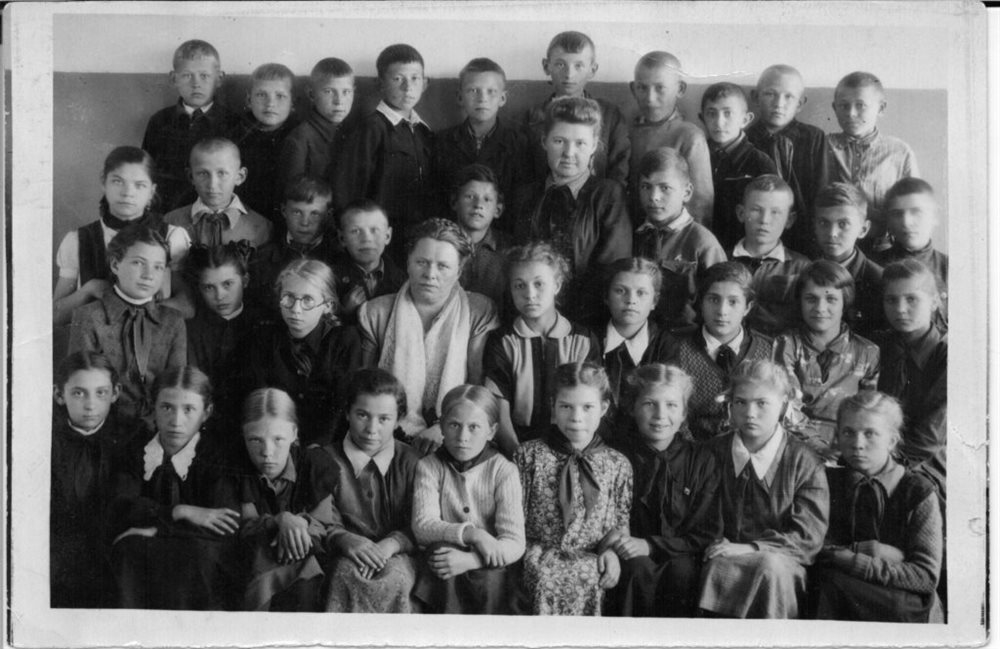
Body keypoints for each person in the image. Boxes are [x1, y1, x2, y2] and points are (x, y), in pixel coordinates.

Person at [698, 359, 829, 618]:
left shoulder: (804, 461)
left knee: (769, 566)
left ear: (783, 404)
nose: (750, 413)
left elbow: (808, 538)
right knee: (718, 565)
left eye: (762, 403)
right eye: (740, 402)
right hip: (722, 554)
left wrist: (753, 548)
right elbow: (700, 518)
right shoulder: (712, 452)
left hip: (783, 563)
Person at [357, 219, 499, 447]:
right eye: (421, 262)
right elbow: (365, 387)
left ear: (458, 271)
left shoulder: (478, 311)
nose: (430, 274)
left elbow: (476, 386)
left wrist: (443, 426)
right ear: (408, 263)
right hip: (386, 433)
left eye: (443, 266)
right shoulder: (376, 312)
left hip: (457, 434)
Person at [109, 366, 241, 610]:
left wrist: (159, 530)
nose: (176, 421)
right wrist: (179, 511)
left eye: (189, 409)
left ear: (206, 413)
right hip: (145, 549)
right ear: (153, 407)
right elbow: (122, 505)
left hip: (198, 554)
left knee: (196, 555)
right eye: (167, 407)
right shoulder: (136, 450)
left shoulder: (217, 457)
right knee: (128, 548)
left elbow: (225, 523)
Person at [812, 391, 943, 622]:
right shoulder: (825, 482)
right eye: (848, 432)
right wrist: (874, 551)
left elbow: (925, 577)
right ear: (837, 436)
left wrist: (855, 558)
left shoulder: (918, 492)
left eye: (870, 433)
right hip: (837, 598)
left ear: (891, 441)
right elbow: (809, 547)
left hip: (902, 607)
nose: (857, 444)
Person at [513, 362, 632, 615]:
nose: (576, 417)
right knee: (544, 578)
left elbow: (620, 524)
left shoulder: (617, 464)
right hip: (537, 554)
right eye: (566, 406)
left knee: (592, 577)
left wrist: (611, 552)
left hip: (592, 556)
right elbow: (513, 520)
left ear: (604, 408)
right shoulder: (528, 456)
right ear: (553, 406)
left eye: (587, 407)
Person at [604, 364, 721, 617]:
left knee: (682, 573)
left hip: (682, 554)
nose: (660, 415)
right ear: (632, 408)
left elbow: (707, 531)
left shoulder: (702, 460)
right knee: (636, 569)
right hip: (628, 553)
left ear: (684, 413)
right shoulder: (614, 457)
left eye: (671, 405)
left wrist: (651, 545)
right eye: (649, 404)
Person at [510, 96, 632, 328]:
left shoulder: (608, 195)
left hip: (588, 323)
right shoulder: (525, 196)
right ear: (544, 141)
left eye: (580, 143)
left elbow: (612, 269)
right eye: (559, 141)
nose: (568, 152)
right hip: (529, 318)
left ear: (594, 145)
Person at [411, 385, 526, 614]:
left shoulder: (504, 471)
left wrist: (473, 560)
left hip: (491, 566)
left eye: (474, 427)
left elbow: (515, 542)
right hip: (445, 566)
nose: (463, 437)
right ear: (442, 426)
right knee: (441, 555)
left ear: (492, 431)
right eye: (454, 425)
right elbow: (422, 526)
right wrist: (474, 534)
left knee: (489, 579)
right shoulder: (429, 467)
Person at [321, 369, 422, 613]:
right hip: (345, 553)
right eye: (362, 415)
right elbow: (321, 521)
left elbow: (422, 522)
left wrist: (393, 544)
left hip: (399, 553)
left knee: (395, 577)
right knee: (345, 573)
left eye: (384, 419)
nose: (371, 429)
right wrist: (343, 538)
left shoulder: (413, 462)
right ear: (347, 413)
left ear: (398, 420)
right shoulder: (324, 460)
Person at [483, 243, 599, 453]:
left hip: (572, 445)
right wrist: (518, 455)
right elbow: (499, 408)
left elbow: (591, 405)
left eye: (539, 284)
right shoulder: (502, 341)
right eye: (519, 285)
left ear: (557, 285)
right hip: (516, 445)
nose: (530, 294)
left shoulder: (583, 339)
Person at [53, 146, 190, 326]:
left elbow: (187, 307)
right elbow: (56, 316)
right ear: (104, 183)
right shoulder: (78, 240)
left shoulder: (172, 237)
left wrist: (133, 312)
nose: (127, 193)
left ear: (152, 191)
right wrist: (88, 290)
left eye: (139, 185)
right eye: (118, 181)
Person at [68, 225, 186, 420]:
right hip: (104, 424)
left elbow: (176, 386)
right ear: (115, 265)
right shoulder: (89, 316)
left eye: (158, 267)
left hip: (158, 425)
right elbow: (81, 385)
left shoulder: (173, 321)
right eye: (138, 263)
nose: (148, 275)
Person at [330, 43, 433, 264]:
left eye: (415, 78)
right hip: (380, 240)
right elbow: (348, 189)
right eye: (398, 79)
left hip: (419, 237)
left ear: (425, 84)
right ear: (380, 84)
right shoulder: (371, 129)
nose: (408, 87)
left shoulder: (424, 131)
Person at [240, 259, 361, 446]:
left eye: (307, 300)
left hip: (328, 444)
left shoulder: (344, 340)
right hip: (275, 442)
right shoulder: (265, 339)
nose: (296, 310)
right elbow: (261, 398)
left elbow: (342, 404)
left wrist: (318, 448)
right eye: (288, 297)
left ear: (328, 305)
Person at [50, 351, 136, 608]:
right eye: (79, 393)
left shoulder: (132, 436)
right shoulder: (45, 438)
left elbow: (127, 502)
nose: (90, 405)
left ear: (115, 393)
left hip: (109, 548)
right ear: (59, 395)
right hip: (58, 551)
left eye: (101, 393)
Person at [238, 388, 336, 611]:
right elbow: (245, 527)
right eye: (255, 440)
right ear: (243, 435)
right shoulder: (238, 471)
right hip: (252, 559)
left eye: (278, 439)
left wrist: (299, 523)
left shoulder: (315, 465)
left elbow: (322, 524)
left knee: (308, 578)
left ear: (294, 433)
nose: (267, 452)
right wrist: (280, 520)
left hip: (306, 555)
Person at [774, 260, 880, 460]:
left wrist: (844, 450)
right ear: (800, 301)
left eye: (831, 299)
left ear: (845, 302)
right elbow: (786, 408)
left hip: (848, 449)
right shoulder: (785, 344)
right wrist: (819, 448)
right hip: (794, 447)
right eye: (811, 299)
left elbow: (868, 414)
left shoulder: (868, 352)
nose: (820, 308)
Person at [666, 262, 774, 441]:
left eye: (733, 302)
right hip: (693, 449)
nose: (722, 311)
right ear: (701, 302)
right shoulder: (676, 348)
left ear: (747, 307)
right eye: (714, 300)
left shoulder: (768, 350)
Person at [874, 259, 947, 499]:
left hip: (929, 462)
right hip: (875, 455)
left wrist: (885, 467)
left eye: (912, 299)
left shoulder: (949, 354)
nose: (900, 309)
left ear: (934, 302)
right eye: (891, 300)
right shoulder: (878, 346)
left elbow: (931, 436)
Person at [632, 147, 726, 329]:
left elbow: (719, 301)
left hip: (683, 338)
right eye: (646, 186)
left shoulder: (703, 243)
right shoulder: (634, 235)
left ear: (687, 192)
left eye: (665, 188)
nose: (654, 197)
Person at [826, 71, 919, 253]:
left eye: (860, 105)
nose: (851, 113)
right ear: (834, 108)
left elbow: (913, 206)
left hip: (881, 247)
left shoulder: (899, 152)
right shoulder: (823, 145)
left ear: (881, 108)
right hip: (832, 245)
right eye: (844, 106)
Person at [141, 40, 238, 212]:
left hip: (214, 212)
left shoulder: (233, 122)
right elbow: (146, 173)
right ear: (174, 78)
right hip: (167, 212)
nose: (196, 84)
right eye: (187, 75)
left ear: (219, 78)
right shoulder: (160, 121)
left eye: (204, 76)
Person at [432, 58, 531, 222]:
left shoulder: (519, 143)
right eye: (473, 90)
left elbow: (520, 200)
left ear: (502, 98)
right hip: (452, 228)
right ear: (460, 97)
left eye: (491, 91)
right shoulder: (441, 141)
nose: (482, 99)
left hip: (501, 230)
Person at [523, 31, 630, 183]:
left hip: (599, 195)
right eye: (560, 65)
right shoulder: (533, 116)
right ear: (546, 66)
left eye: (578, 65)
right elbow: (525, 172)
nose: (569, 74)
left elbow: (620, 168)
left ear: (592, 70)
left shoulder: (609, 114)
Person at [746, 64, 829, 255]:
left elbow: (821, 190)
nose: (779, 103)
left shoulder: (813, 138)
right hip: (758, 234)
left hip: (803, 234)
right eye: (770, 94)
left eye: (788, 96)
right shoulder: (745, 140)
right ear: (756, 97)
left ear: (800, 103)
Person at [183, 241, 261, 438]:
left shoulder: (263, 324)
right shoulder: (191, 330)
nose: (220, 296)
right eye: (209, 287)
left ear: (245, 281)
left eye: (228, 284)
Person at [628, 51, 713, 225]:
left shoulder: (690, 136)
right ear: (633, 89)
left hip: (677, 233)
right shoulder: (627, 132)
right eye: (642, 88)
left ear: (680, 89)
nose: (650, 98)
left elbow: (701, 204)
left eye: (660, 88)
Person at [698, 82, 778, 251]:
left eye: (728, 113)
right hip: (701, 244)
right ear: (702, 118)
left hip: (741, 248)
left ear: (745, 120)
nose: (719, 122)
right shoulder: (696, 155)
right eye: (711, 113)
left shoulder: (760, 163)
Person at [598, 258, 677, 428]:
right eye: (620, 291)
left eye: (641, 293)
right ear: (606, 296)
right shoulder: (589, 338)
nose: (630, 300)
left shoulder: (666, 346)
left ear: (654, 301)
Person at [730, 174, 811, 336]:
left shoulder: (802, 267)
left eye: (775, 212)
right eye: (756, 210)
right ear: (741, 213)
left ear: (789, 220)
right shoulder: (721, 258)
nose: (765, 220)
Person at [248, 175, 342, 310]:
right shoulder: (263, 258)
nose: (305, 222)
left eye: (314, 214)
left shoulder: (339, 258)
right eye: (297, 212)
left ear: (328, 215)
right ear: (284, 211)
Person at [163, 137, 272, 249]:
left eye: (222, 173)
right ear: (191, 177)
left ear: (240, 176)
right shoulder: (171, 221)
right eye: (203, 174)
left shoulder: (261, 227)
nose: (212, 185)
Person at [230, 63, 300, 224]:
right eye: (262, 95)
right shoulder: (235, 138)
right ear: (249, 100)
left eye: (280, 96)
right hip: (243, 218)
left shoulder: (298, 137)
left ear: (293, 103)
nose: (270, 104)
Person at [813, 182, 886, 337]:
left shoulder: (879, 281)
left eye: (843, 224)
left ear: (863, 229)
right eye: (824, 223)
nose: (832, 233)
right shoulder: (804, 270)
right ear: (815, 226)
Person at [874, 178, 948, 326]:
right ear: (888, 220)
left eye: (917, 212)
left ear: (935, 217)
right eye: (897, 214)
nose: (906, 222)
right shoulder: (873, 265)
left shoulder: (949, 268)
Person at [278, 57, 355, 189]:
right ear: (311, 94)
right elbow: (293, 194)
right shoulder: (300, 139)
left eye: (346, 92)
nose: (339, 101)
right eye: (329, 91)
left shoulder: (355, 131)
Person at [450, 164, 511, 315]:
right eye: (470, 197)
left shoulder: (509, 251)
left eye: (487, 199)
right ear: (455, 202)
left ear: (498, 210)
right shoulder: (437, 243)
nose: (478, 205)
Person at [332, 200, 406, 322]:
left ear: (387, 236)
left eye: (374, 230)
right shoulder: (329, 278)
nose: (366, 239)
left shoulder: (403, 281)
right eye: (355, 231)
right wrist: (343, 313)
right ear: (342, 238)